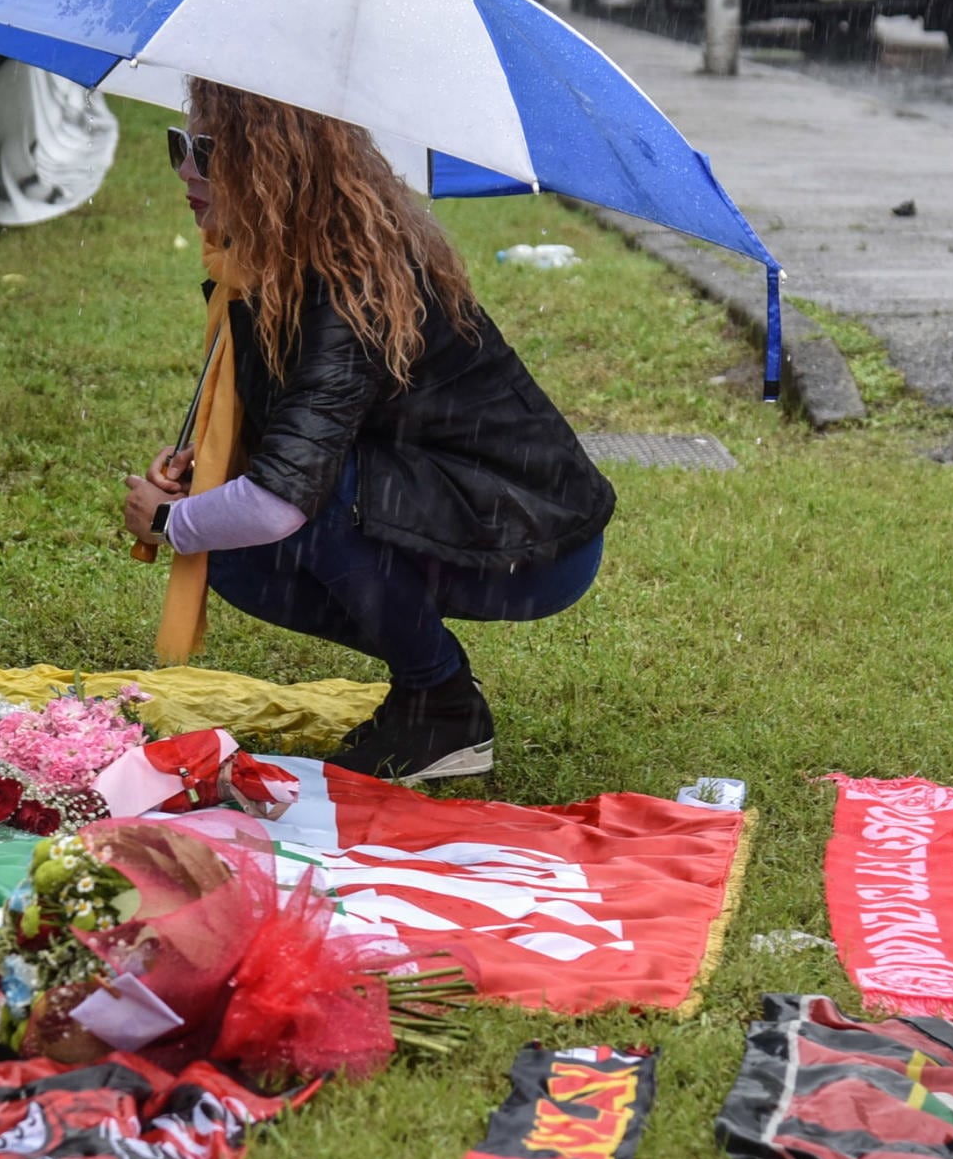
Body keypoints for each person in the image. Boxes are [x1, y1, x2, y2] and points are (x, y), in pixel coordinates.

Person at [118, 84, 612, 782]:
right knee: (233, 551)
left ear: (271, 166)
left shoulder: (350, 283)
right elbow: (296, 439)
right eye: (179, 146)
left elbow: (288, 494)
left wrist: (171, 519)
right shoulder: (275, 267)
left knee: (289, 508)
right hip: (457, 506)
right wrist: (207, 473)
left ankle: (441, 704)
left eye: (206, 151)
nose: (186, 172)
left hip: (531, 539)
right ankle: (431, 688)